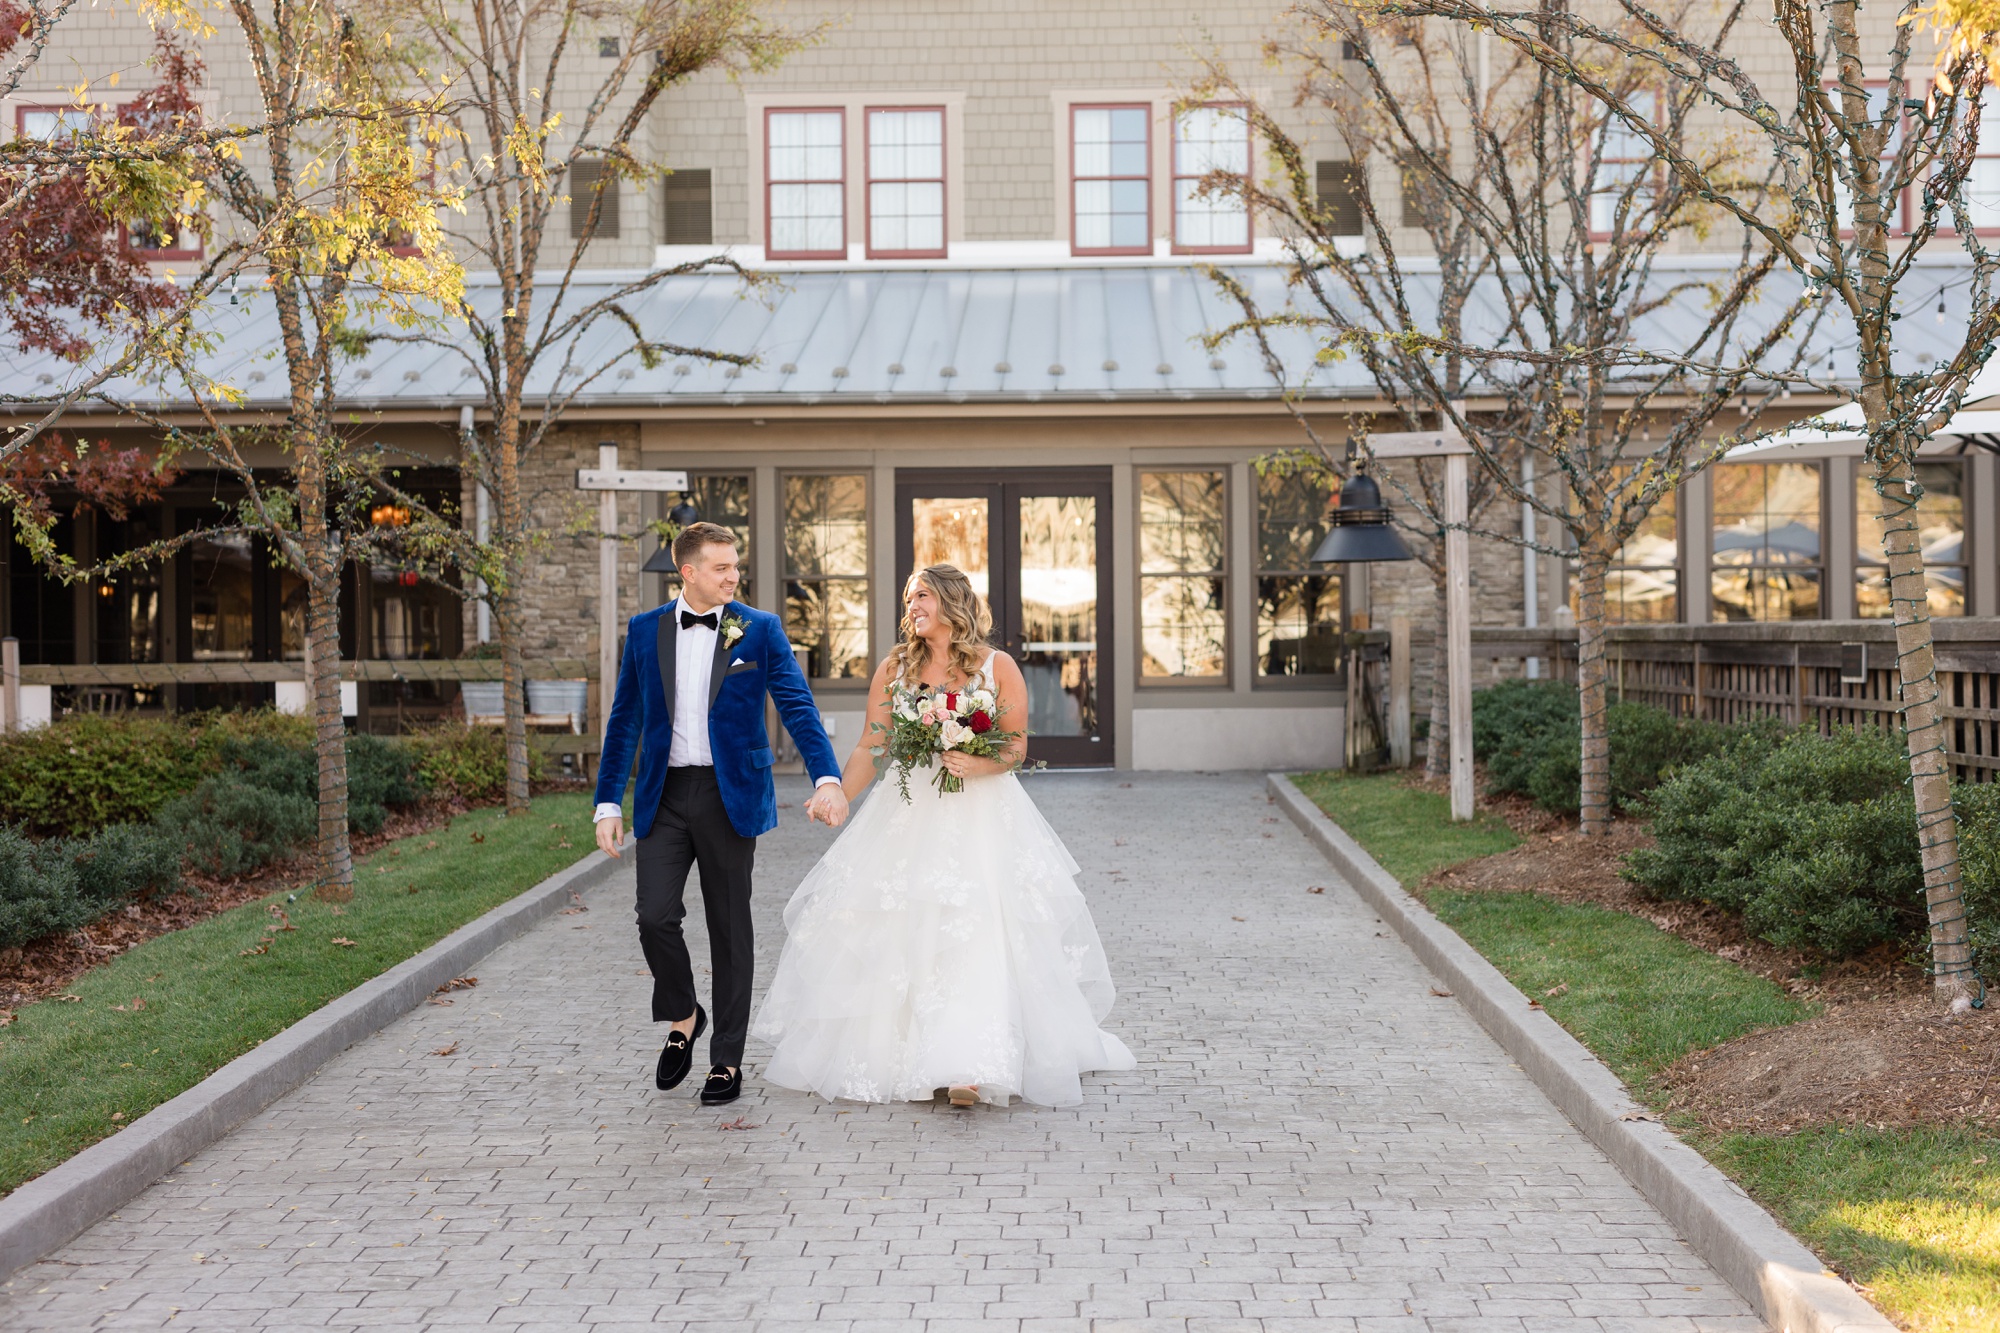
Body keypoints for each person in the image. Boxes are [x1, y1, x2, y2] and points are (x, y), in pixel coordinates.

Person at [751, 563, 1136, 1108]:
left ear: (952, 602)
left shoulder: (997, 667)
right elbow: (871, 744)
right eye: (909, 598)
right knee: (904, 929)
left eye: (923, 596)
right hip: (908, 814)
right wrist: (835, 789)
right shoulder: (895, 668)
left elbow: (1016, 748)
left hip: (979, 816)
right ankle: (907, 1051)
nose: (912, 606)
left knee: (973, 930)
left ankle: (969, 1064)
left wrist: (979, 766)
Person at [592, 522, 850, 1108]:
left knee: (730, 927)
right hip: (664, 795)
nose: (734, 576)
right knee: (653, 916)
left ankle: (726, 1060)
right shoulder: (644, 631)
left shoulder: (757, 630)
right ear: (688, 573)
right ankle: (684, 1013)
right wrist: (607, 803)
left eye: (735, 567)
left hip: (729, 794)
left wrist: (827, 778)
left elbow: (797, 705)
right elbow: (624, 720)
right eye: (722, 568)